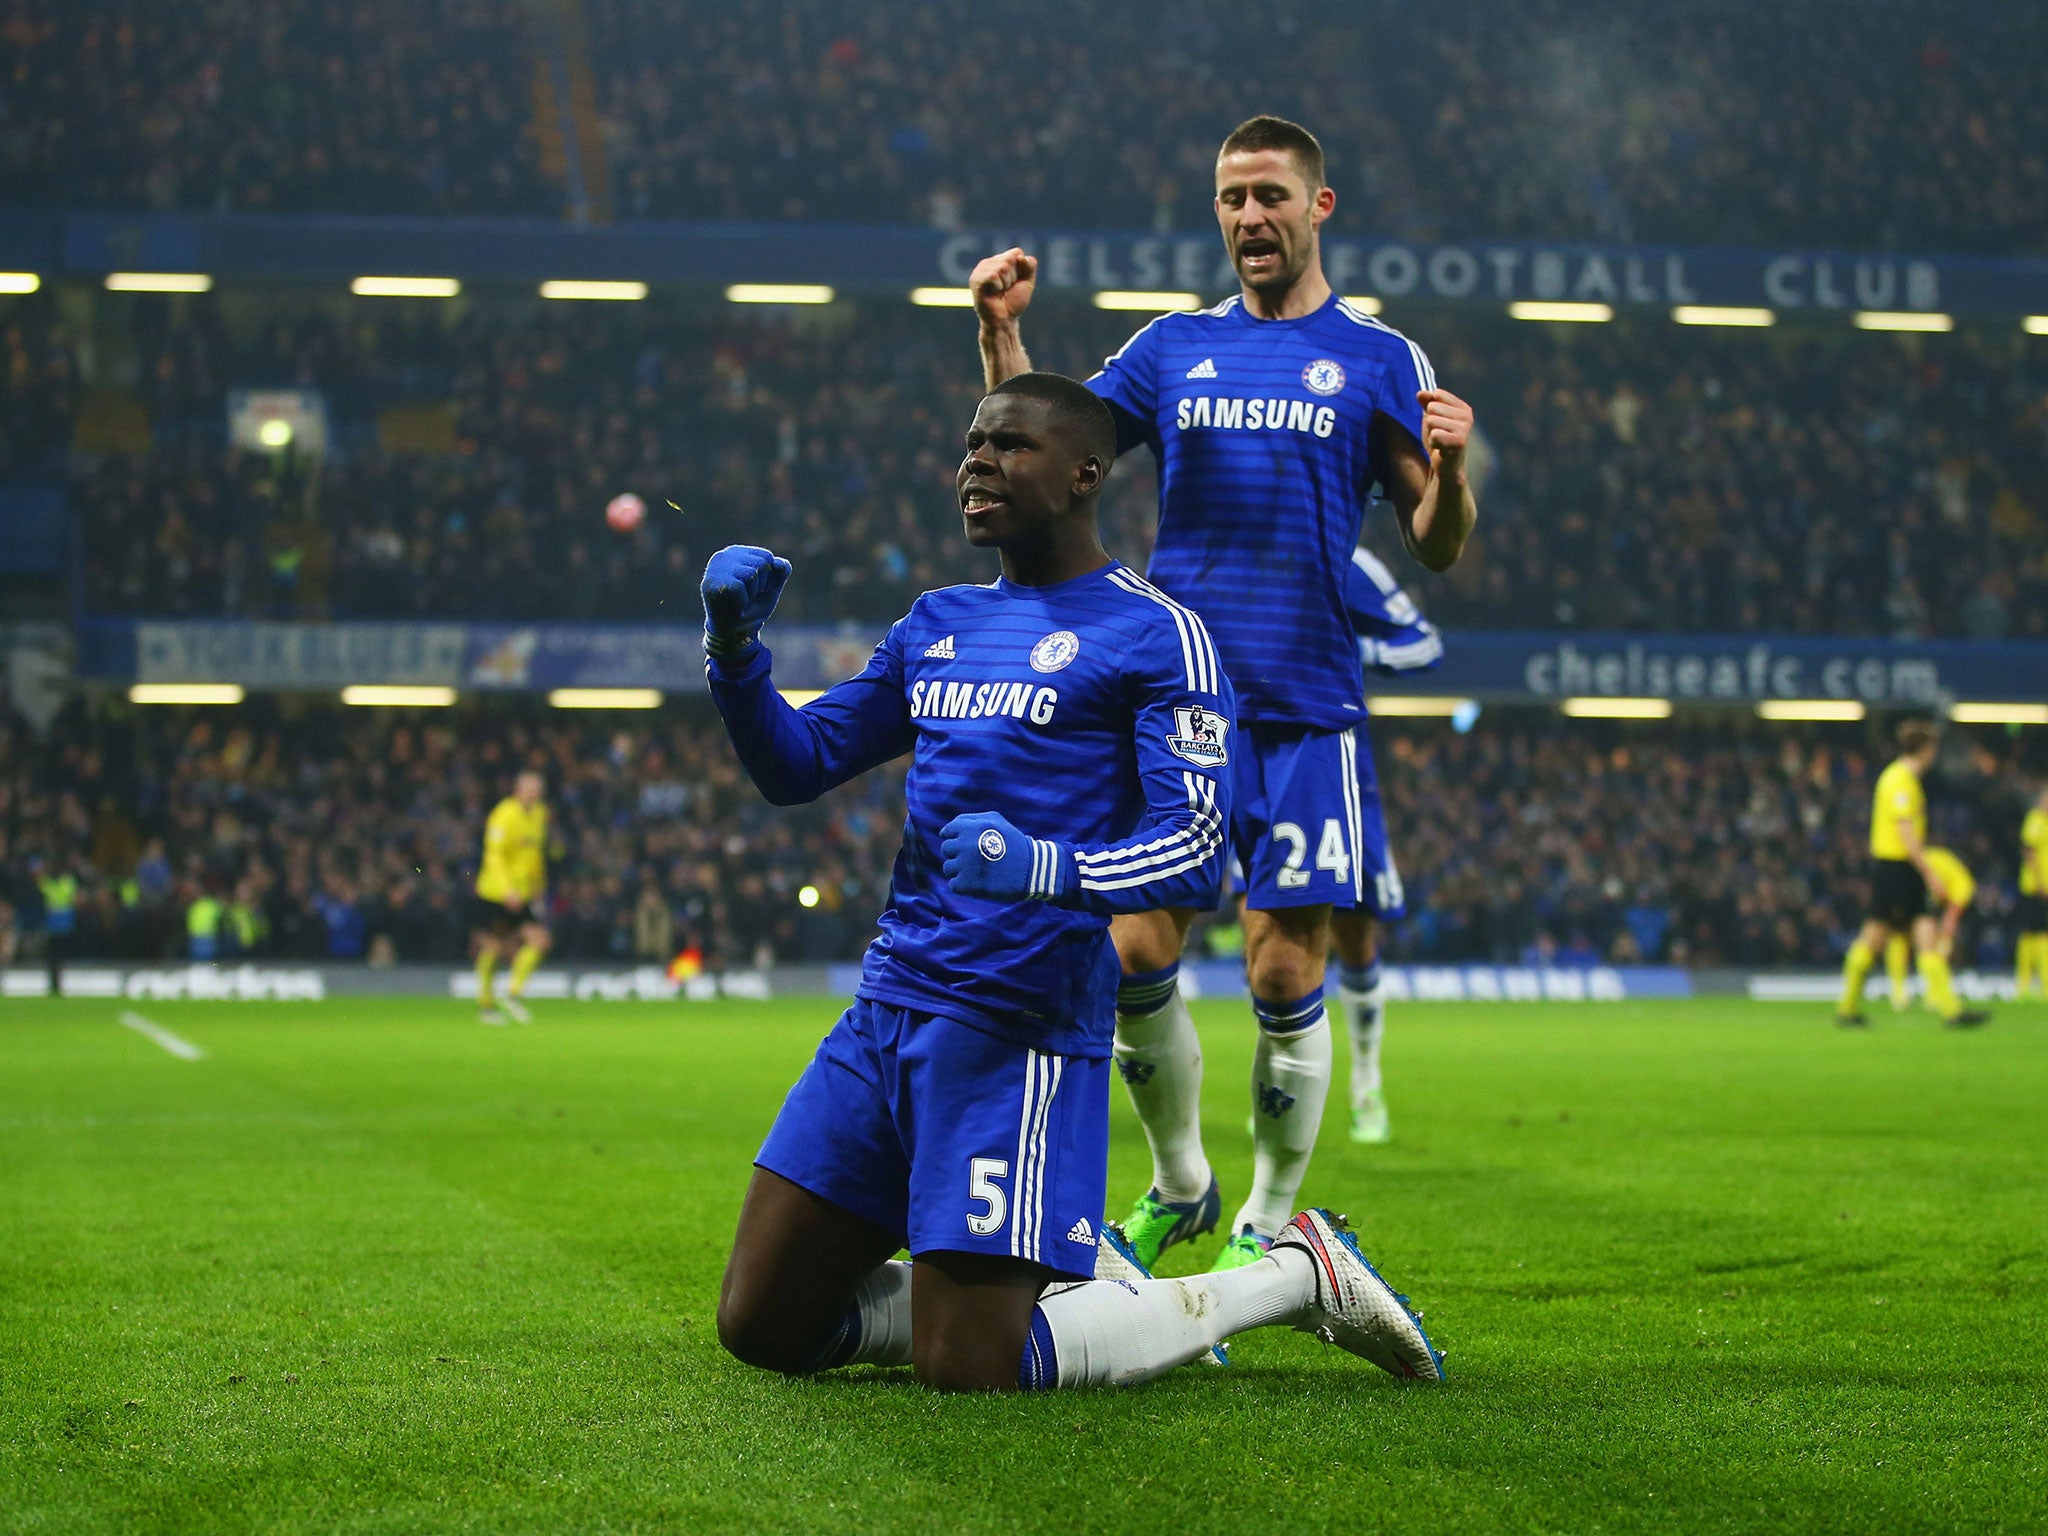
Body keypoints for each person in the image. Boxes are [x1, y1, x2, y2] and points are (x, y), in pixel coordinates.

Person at [708, 372, 1442, 1392]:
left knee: (969, 1374)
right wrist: (737, 655)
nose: (976, 460)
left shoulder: (1156, 634)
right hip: (885, 1013)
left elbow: (1190, 847)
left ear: (1085, 474)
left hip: (1017, 1028)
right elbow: (797, 764)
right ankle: (1026, 1283)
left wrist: (1048, 868)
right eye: (971, 442)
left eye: (1007, 445)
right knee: (762, 1326)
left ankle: (1288, 1275)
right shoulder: (938, 622)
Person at [971, 115, 1478, 1270]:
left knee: (1282, 967)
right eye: (1231, 199)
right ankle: (1180, 1179)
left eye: (1268, 196)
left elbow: (1434, 543)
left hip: (1304, 704)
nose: (1249, 217)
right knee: (1134, 941)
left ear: (1318, 207)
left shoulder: (1376, 357)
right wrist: (999, 338)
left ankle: (1262, 1221)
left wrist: (1448, 470)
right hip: (1181, 706)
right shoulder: (1171, 348)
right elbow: (1043, 446)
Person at [1332, 544, 1443, 1144]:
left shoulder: (1350, 559)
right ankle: (1278, 1082)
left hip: (1338, 764)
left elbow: (1424, 644)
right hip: (1243, 759)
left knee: (1355, 931)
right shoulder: (1213, 545)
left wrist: (1351, 649)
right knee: (1259, 933)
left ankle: (1366, 1082)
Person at [1835, 721, 1989, 1029]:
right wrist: (1929, 873)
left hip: (1899, 869)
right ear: (1926, 749)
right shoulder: (1900, 780)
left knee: (1925, 938)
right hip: (1897, 869)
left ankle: (1952, 1011)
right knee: (1873, 939)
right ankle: (1847, 1008)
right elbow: (1907, 833)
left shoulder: (1901, 778)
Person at [471, 768, 552, 1024]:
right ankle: (486, 1006)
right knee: (494, 948)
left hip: (523, 893)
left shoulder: (539, 814)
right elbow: (493, 856)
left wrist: (539, 884)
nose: (534, 794)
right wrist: (507, 890)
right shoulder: (503, 815)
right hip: (495, 893)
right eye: (530, 789)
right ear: (518, 790)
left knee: (540, 941)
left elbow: (535, 854)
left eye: (538, 790)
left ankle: (512, 994)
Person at [1883, 846, 1974, 1009]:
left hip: (1917, 883)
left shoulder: (1963, 887)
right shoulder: (1963, 885)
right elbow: (1949, 921)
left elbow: (1949, 918)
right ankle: (1910, 991)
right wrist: (1945, 943)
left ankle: (1927, 992)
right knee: (1903, 934)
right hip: (1909, 881)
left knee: (1915, 938)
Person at [2017, 785, 2048, 999]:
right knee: (2030, 933)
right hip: (2033, 888)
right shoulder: (2035, 820)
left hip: (2044, 888)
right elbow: (2029, 852)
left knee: (2043, 934)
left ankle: (2044, 984)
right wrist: (2039, 882)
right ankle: (2024, 984)